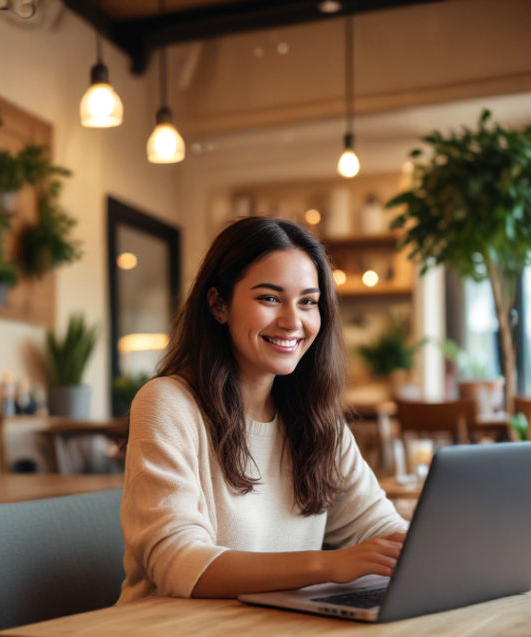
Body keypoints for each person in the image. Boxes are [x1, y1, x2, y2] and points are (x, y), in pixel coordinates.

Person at [118, 216, 407, 603]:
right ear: (219, 305)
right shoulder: (168, 404)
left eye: (308, 302)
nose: (293, 321)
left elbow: (379, 528)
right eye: (270, 298)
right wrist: (327, 565)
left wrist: (431, 546)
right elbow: (179, 564)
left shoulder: (317, 420)